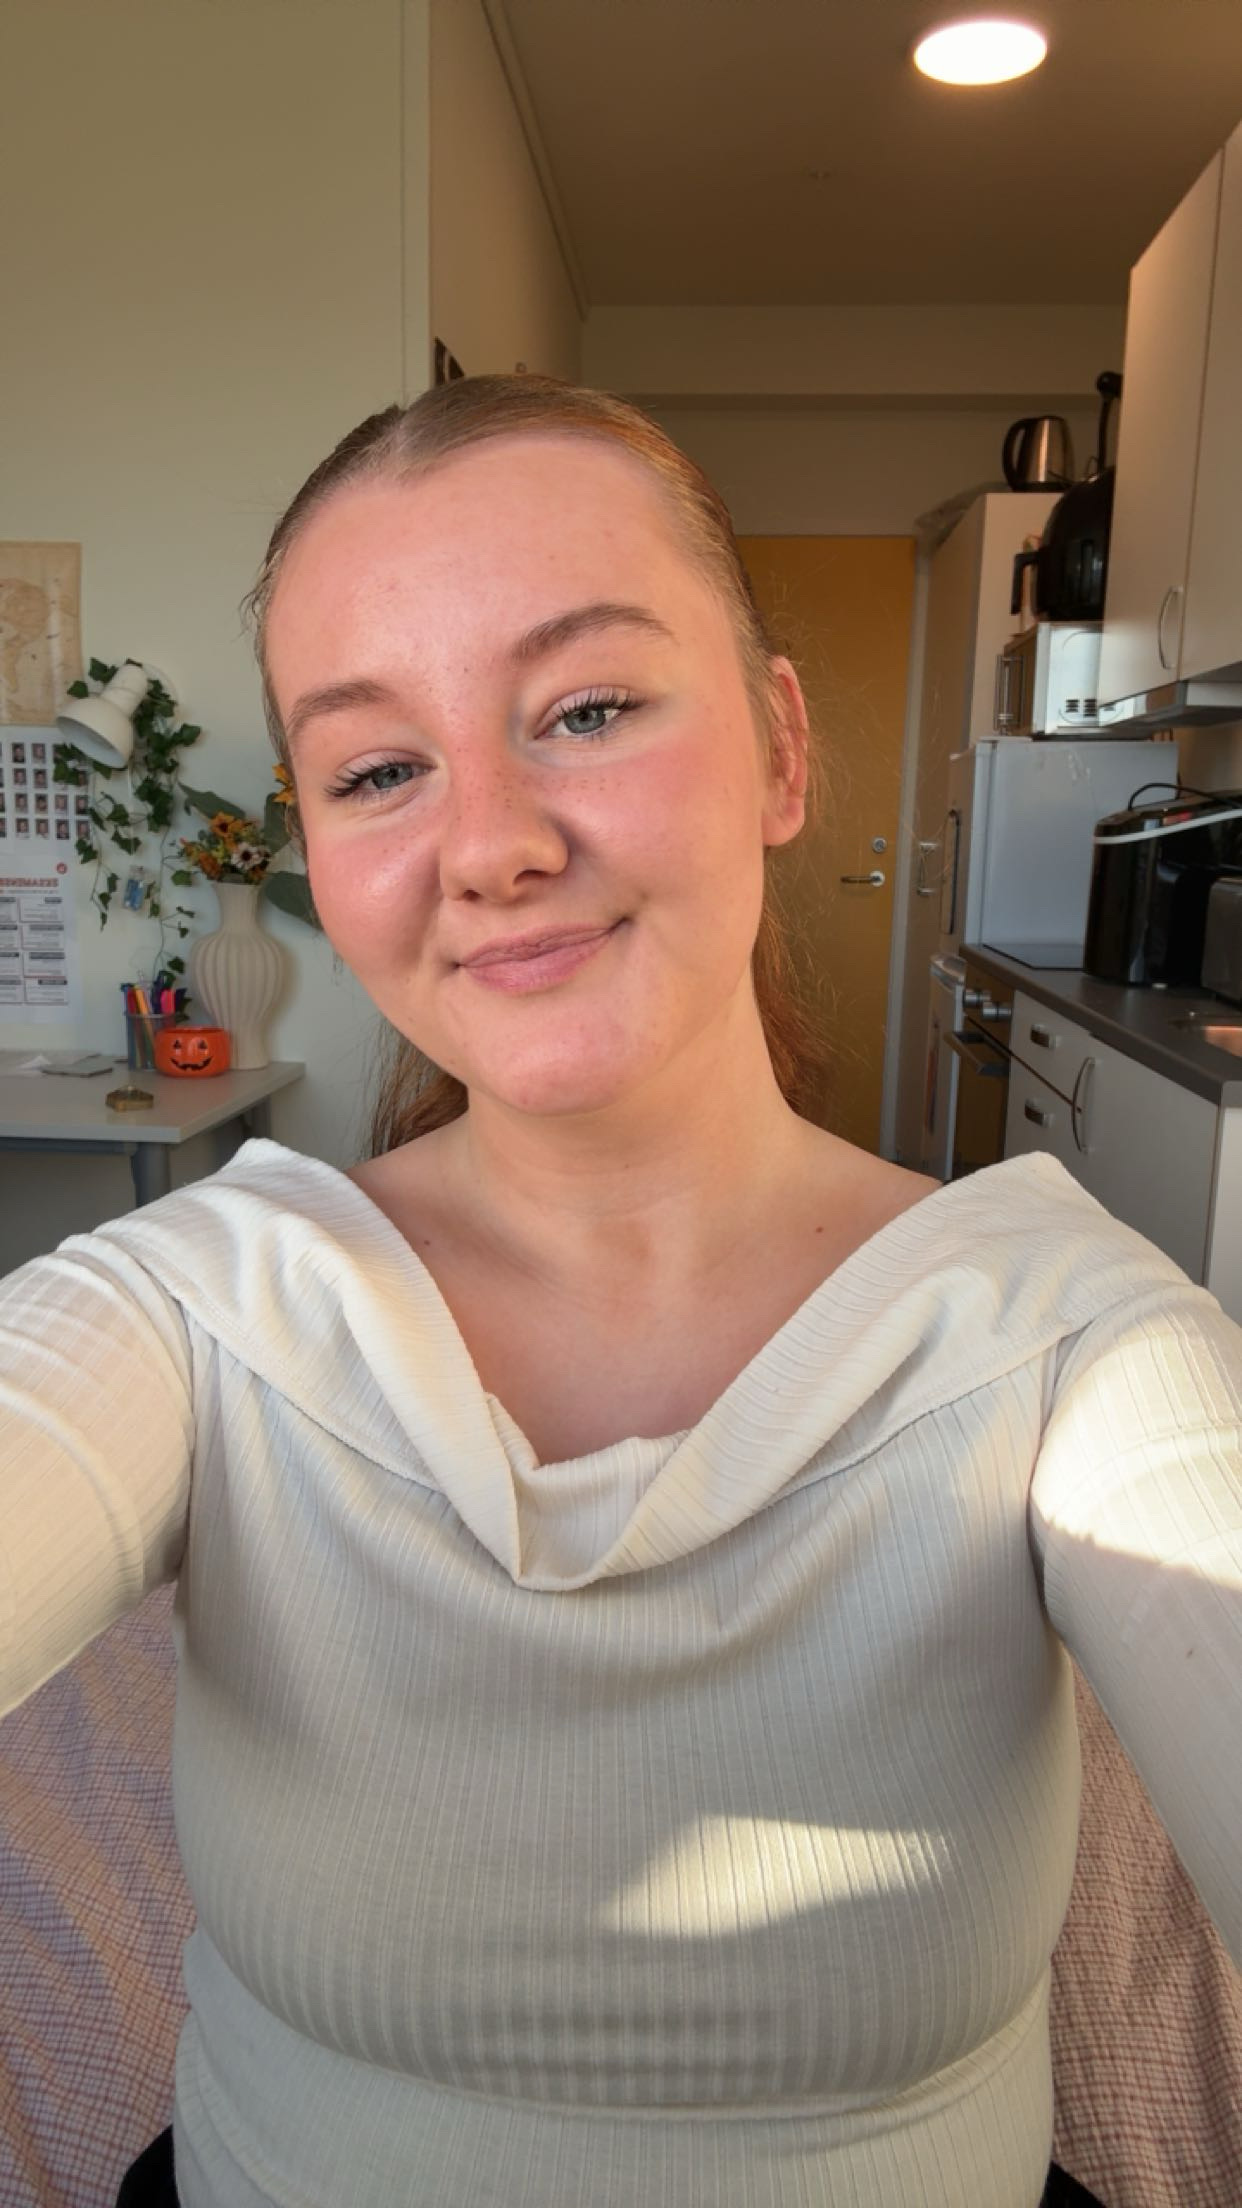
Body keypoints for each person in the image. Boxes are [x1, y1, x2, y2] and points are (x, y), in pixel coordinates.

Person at [2, 375, 1238, 2208]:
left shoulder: (1058, 1330)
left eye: (585, 709)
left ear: (779, 750)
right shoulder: (200, 1300)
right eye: (377, 769)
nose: (489, 845)